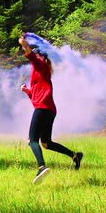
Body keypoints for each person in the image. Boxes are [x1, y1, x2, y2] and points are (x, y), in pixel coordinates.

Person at [18, 35, 83, 184]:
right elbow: (36, 95)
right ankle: (75, 156)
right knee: (46, 143)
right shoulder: (42, 70)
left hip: (42, 109)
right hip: (49, 110)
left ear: (39, 54)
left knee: (32, 140)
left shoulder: (40, 64)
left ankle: (41, 166)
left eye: (35, 52)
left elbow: (29, 52)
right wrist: (27, 91)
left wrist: (23, 42)